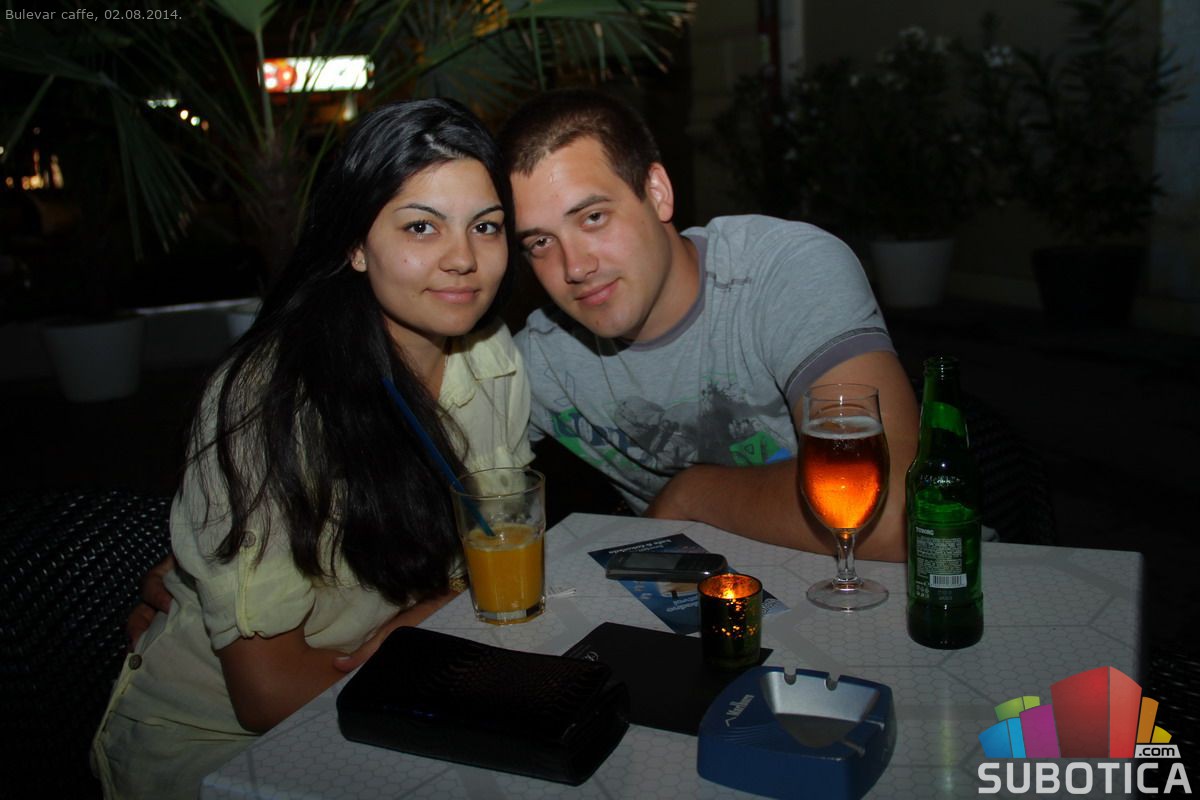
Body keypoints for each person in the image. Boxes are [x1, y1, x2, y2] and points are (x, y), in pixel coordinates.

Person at [93, 98, 532, 799]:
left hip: (403, 687)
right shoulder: (269, 400)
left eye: (486, 226)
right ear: (355, 244)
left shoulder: (492, 359)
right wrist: (421, 650)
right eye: (421, 226)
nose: (463, 259)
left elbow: (493, 545)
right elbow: (264, 696)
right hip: (223, 743)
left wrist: (433, 617)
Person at [498, 88, 917, 562]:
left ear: (657, 193)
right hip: (705, 594)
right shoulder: (543, 361)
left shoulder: (785, 273)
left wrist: (692, 494)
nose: (574, 266)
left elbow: (893, 514)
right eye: (540, 243)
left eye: (593, 217)